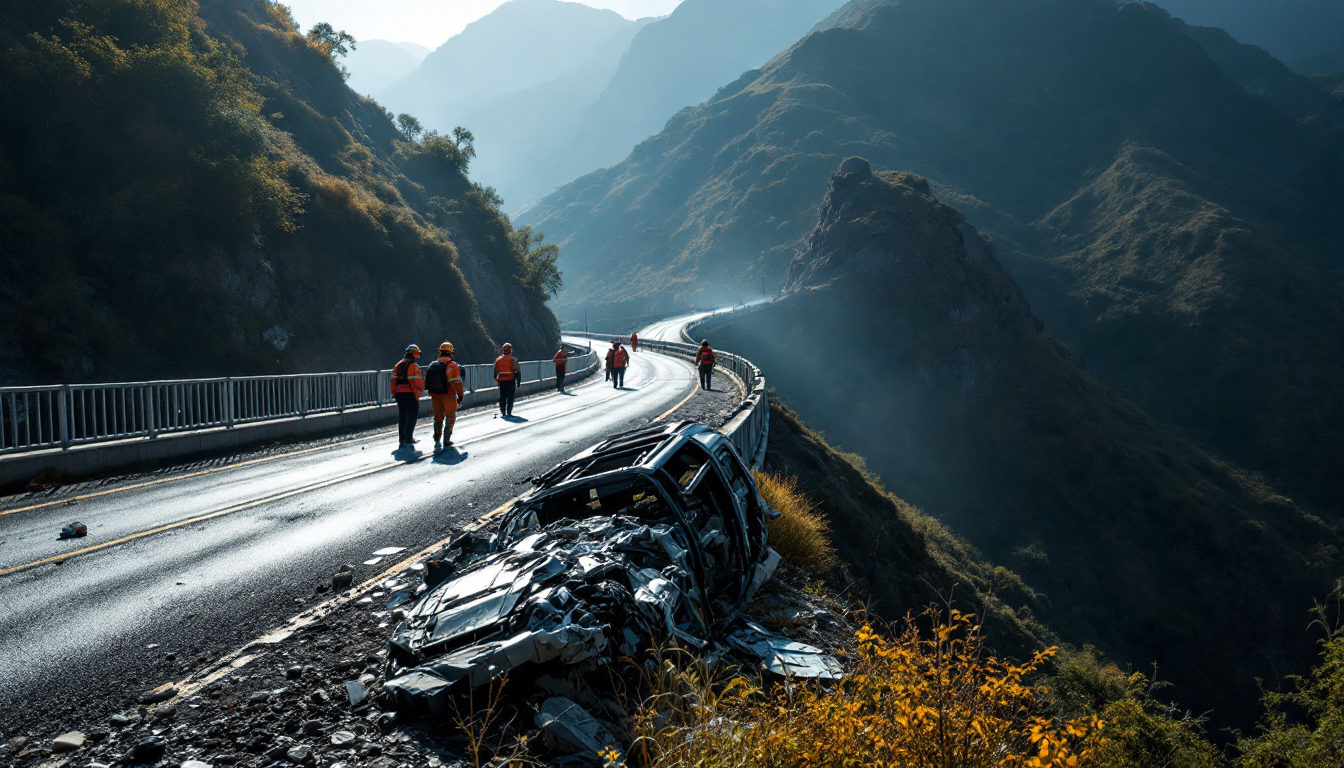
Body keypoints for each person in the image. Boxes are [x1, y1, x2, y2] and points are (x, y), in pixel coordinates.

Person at [425, 342, 464, 450]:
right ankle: (446, 440)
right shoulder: (452, 365)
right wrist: (460, 396)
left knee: (438, 418)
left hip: (435, 396)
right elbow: (457, 383)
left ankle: (437, 439)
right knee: (450, 418)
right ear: (451, 352)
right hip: (449, 396)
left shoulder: (433, 364)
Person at [391, 344, 424, 447]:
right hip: (410, 393)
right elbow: (417, 382)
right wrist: (418, 393)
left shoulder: (398, 365)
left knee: (402, 416)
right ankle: (408, 437)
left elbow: (393, 380)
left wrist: (394, 393)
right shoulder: (413, 366)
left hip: (399, 393)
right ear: (413, 354)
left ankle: (402, 439)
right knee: (412, 415)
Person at [494, 342, 521, 417]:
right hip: (510, 379)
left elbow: (495, 372)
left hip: (501, 380)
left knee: (502, 395)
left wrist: (496, 380)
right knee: (510, 396)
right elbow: (517, 371)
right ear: (510, 350)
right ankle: (509, 411)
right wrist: (518, 381)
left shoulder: (498, 360)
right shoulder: (513, 360)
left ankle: (503, 410)